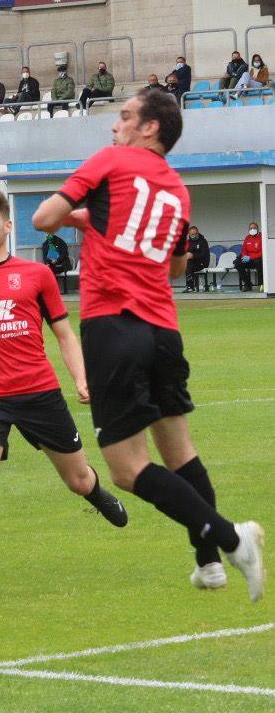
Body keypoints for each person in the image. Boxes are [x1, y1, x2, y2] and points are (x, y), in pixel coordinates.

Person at [32, 88, 266, 601]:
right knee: (180, 452)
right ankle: (208, 565)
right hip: (163, 329)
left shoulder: (111, 161)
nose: (114, 126)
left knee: (125, 468)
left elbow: (43, 219)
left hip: (114, 326)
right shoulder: (179, 191)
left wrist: (87, 212)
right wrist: (102, 222)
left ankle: (232, 539)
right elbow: (177, 265)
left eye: (124, 116)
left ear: (150, 127)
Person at [0, 188, 127, 600]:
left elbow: (64, 332)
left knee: (76, 478)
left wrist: (82, 379)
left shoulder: (37, 275)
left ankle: (95, 491)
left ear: (7, 225)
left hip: (39, 393)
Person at [233, 222, 263, 292]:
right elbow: (244, 249)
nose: (252, 229)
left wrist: (251, 257)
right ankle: (247, 284)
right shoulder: (247, 237)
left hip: (257, 259)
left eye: (254, 228)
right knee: (238, 263)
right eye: (251, 228)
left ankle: (261, 285)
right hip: (248, 259)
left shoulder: (262, 237)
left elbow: (263, 252)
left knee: (260, 263)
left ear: (257, 229)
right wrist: (244, 256)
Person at [183, 225, 210, 293]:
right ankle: (190, 286)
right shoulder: (187, 242)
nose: (194, 235)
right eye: (192, 234)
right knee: (187, 263)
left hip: (202, 263)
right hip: (191, 263)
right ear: (189, 234)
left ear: (198, 233)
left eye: (195, 234)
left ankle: (190, 287)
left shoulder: (203, 242)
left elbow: (203, 255)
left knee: (188, 264)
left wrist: (193, 256)